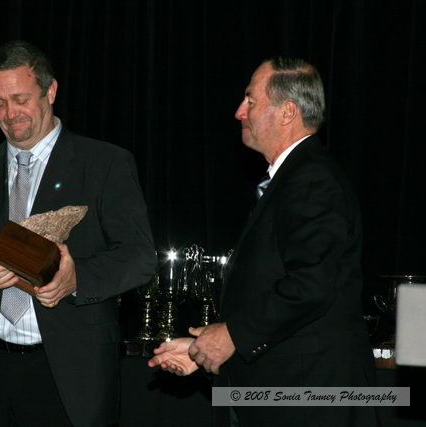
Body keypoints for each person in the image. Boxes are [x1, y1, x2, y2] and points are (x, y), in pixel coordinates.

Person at [0, 40, 157, 427]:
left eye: (20, 99)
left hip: (70, 376)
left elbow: (139, 257)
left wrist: (76, 279)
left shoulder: (105, 164)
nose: (10, 114)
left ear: (51, 91)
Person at [148, 57, 378, 426]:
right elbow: (270, 291)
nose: (239, 112)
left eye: (251, 100)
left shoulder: (312, 181)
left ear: (288, 112)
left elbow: (311, 285)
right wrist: (204, 349)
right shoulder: (293, 178)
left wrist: (231, 336)